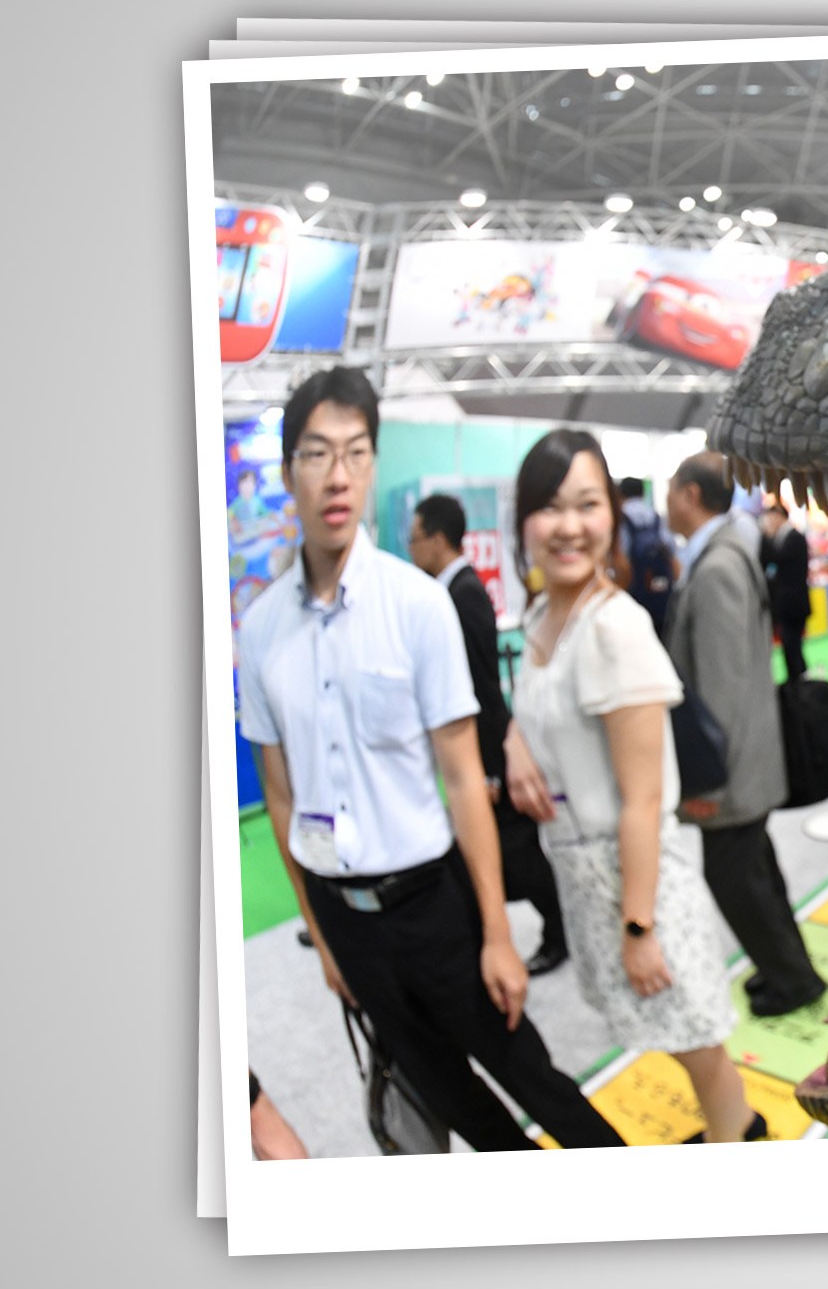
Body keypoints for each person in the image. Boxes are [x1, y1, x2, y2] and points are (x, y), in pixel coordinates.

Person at [236, 366, 623, 1152]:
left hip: (434, 907)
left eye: (355, 452)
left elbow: (462, 778)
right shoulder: (261, 629)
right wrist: (324, 939)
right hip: (346, 920)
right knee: (453, 1100)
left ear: (372, 463)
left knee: (530, 1076)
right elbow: (280, 794)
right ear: (288, 470)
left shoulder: (418, 604)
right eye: (317, 453)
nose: (337, 475)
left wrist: (497, 933)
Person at [499, 431, 764, 1143]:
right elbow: (537, 707)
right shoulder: (542, 618)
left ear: (612, 516)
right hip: (585, 877)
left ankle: (738, 1138)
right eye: (550, 507)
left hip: (639, 884)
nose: (569, 526)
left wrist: (640, 928)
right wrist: (516, 743)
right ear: (523, 520)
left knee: (696, 1040)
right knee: (670, 1034)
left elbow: (645, 800)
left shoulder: (615, 628)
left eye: (588, 504)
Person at [664, 454, 828, 1018]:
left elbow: (723, 689)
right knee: (755, 873)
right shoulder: (723, 555)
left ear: (690, 495)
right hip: (741, 757)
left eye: (670, 490)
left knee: (737, 879)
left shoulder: (716, 568)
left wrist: (711, 781)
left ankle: (792, 980)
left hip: (731, 766)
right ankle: (789, 968)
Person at [408, 493, 567, 976]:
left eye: (415, 539)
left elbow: (480, 691)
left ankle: (559, 930)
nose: (411, 550)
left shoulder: (463, 596)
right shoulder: (452, 593)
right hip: (483, 752)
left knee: (519, 854)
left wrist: (490, 768)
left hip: (490, 752)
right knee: (492, 852)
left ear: (438, 539)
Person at [759, 500, 813, 681]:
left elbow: (778, 560)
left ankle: (799, 684)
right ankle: (797, 683)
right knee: (790, 647)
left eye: (770, 517)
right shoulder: (782, 537)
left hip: (793, 604)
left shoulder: (794, 538)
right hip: (785, 604)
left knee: (793, 646)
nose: (768, 521)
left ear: (778, 516)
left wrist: (766, 537)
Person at [616, 477, 677, 631]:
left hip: (633, 591)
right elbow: (672, 550)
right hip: (660, 594)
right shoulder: (656, 517)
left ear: (620, 494)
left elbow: (620, 556)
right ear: (643, 493)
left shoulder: (621, 518)